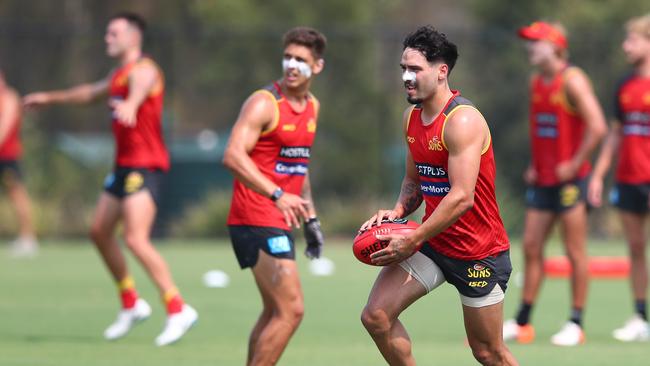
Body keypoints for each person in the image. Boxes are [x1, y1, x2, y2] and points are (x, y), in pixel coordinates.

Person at [23, 12, 197, 346]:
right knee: (99, 232)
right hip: (123, 167)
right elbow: (89, 93)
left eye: (113, 33)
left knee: (135, 238)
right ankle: (131, 303)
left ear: (134, 37)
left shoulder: (144, 69)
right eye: (106, 33)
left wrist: (132, 103)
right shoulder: (118, 75)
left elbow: (141, 85)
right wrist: (50, 98)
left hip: (145, 167)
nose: (107, 38)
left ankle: (178, 308)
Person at [359, 26, 518, 366]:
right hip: (433, 243)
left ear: (441, 71)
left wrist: (412, 237)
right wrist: (397, 211)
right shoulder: (411, 118)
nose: (406, 76)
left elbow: (462, 197)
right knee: (376, 316)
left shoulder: (462, 121)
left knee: (488, 353)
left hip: (478, 251)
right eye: (403, 68)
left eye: (415, 69)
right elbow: (414, 182)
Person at [222, 26, 326, 366]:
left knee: (273, 311)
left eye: (301, 59)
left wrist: (311, 218)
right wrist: (278, 194)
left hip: (278, 220)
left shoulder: (312, 106)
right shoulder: (264, 103)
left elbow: (300, 166)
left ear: (318, 66)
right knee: (292, 310)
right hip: (254, 216)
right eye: (288, 57)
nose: (292, 65)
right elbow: (233, 155)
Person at [503, 21, 607, 346]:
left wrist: (575, 164)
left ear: (555, 46)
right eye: (528, 42)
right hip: (543, 179)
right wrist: (535, 164)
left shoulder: (572, 81)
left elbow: (599, 127)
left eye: (536, 42)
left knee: (574, 251)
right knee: (532, 246)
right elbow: (542, 127)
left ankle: (575, 323)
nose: (530, 48)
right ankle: (522, 322)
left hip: (570, 181)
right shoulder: (536, 81)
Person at [588, 14, 650, 342]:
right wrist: (598, 175)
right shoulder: (625, 85)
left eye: (633, 40)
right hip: (629, 178)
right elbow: (615, 134)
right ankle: (640, 317)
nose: (626, 46)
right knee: (636, 248)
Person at [0, 70, 39, 257]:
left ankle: (28, 238)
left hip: (7, 157)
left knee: (17, 195)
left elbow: (5, 127)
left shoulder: (9, 97)